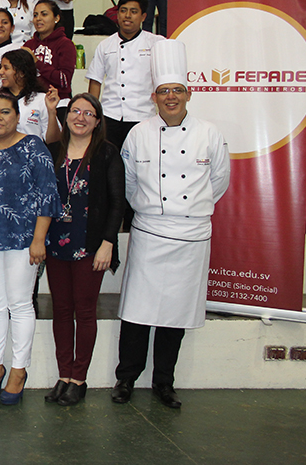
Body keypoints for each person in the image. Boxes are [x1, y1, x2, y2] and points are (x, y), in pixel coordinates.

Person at [112, 40, 230, 409]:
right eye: (164, 91)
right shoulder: (139, 133)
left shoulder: (209, 133)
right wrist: (149, 212)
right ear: (154, 96)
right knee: (137, 313)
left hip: (191, 234)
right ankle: (126, 378)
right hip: (149, 231)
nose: (171, 97)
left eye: (177, 90)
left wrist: (190, 211)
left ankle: (165, 381)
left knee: (174, 316)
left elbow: (219, 181)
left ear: (189, 93)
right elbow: (128, 182)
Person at [0, 90, 59, 406]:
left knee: (20, 304)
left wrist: (39, 239)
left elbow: (49, 195)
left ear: (17, 116)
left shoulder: (33, 147)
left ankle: (19, 370)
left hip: (25, 240)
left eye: (5, 112)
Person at [43, 93, 125, 406]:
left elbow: (118, 202)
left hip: (90, 244)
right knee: (61, 310)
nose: (80, 117)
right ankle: (63, 375)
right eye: (75, 111)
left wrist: (108, 243)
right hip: (55, 242)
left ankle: (79, 378)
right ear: (67, 117)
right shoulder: (54, 151)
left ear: (98, 121)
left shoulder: (107, 153)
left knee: (85, 310)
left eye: (88, 113)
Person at [86, 0, 163, 151]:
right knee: (110, 164)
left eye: (133, 12)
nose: (127, 16)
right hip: (110, 116)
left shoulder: (157, 43)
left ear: (143, 16)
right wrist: (92, 115)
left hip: (142, 116)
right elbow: (95, 81)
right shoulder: (105, 45)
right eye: (123, 10)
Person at [0, 48, 59, 144]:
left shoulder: (41, 99)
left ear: (22, 72)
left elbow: (53, 140)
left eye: (6, 68)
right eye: (0, 67)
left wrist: (52, 112)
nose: (0, 72)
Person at [23, 0, 75, 119]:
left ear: (56, 18)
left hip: (58, 103)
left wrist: (36, 62)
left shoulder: (65, 44)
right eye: (35, 15)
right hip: (31, 104)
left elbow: (64, 80)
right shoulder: (29, 45)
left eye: (44, 14)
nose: (38, 18)